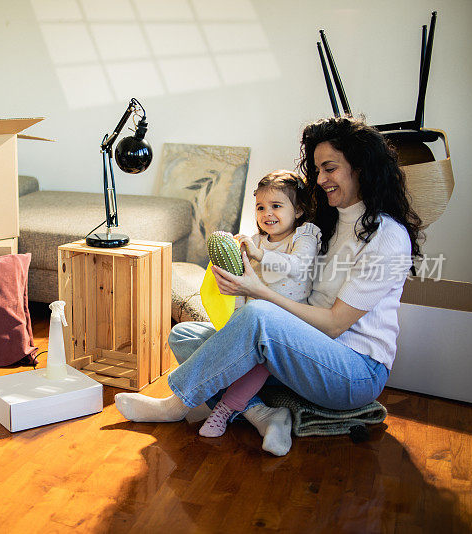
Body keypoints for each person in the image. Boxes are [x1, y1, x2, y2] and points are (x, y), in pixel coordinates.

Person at [115, 116, 422, 456]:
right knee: (186, 335)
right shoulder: (330, 224)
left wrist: (259, 292)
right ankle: (264, 413)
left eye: (330, 168)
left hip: (354, 371)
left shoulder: (386, 236)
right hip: (306, 348)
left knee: (258, 316)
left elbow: (335, 324)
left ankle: (175, 406)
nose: (320, 179)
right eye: (317, 170)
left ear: (361, 166)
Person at [198, 170, 321, 438]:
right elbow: (244, 287)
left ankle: (224, 409)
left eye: (276, 206)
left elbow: (299, 268)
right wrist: (234, 320)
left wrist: (259, 254)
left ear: (298, 210)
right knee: (189, 336)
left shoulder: (304, 236)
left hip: (286, 328)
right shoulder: (253, 241)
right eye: (261, 207)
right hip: (253, 324)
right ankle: (259, 412)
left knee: (259, 358)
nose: (267, 213)